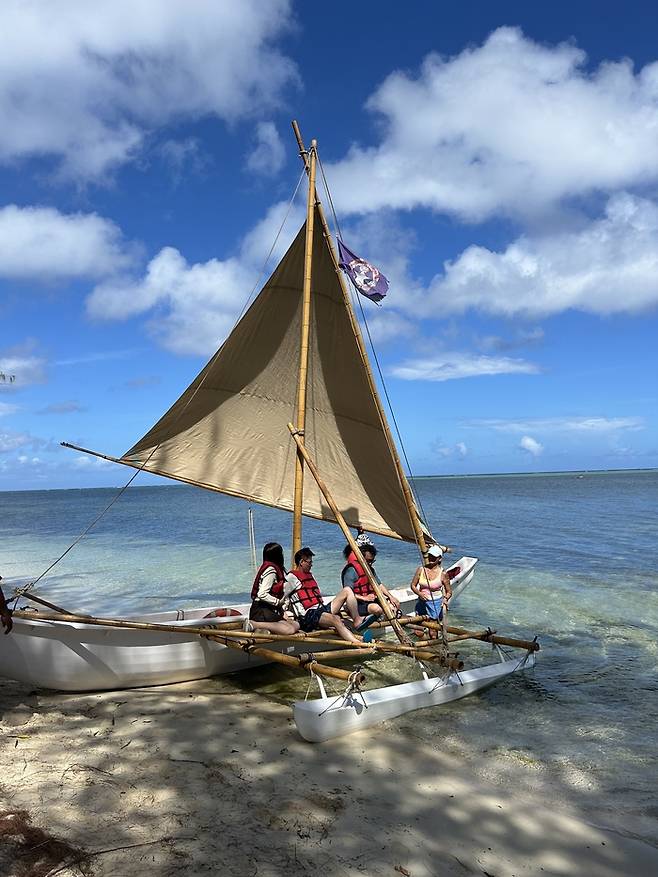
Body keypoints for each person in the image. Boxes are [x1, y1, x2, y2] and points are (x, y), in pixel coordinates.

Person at [287, 547, 363, 644]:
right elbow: (282, 595)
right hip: (308, 616)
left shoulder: (309, 575)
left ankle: (357, 621)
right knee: (336, 619)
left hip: (320, 610)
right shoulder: (291, 578)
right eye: (310, 562)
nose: (311, 565)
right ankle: (357, 643)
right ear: (302, 562)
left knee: (347, 590)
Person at [341, 533, 400, 622]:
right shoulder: (351, 571)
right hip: (357, 603)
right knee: (377, 609)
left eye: (372, 561)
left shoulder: (370, 570)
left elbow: (379, 585)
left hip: (370, 600)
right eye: (368, 561)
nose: (370, 564)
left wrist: (390, 596)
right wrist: (365, 598)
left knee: (395, 604)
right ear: (361, 558)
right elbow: (347, 593)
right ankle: (379, 617)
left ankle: (385, 617)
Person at [246, 542, 300, 635]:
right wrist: (277, 602)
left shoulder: (270, 568)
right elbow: (262, 594)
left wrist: (281, 610)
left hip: (269, 609)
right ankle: (254, 624)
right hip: (261, 610)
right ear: (278, 555)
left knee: (296, 624)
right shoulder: (271, 571)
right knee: (289, 630)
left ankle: (259, 627)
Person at [409, 544, 452, 639]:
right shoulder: (421, 569)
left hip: (435, 604)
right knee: (418, 631)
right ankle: (424, 644)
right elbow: (412, 585)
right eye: (430, 555)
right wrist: (419, 594)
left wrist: (445, 599)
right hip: (422, 603)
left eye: (434, 556)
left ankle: (434, 648)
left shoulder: (443, 573)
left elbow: (449, 591)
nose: (431, 558)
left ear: (439, 558)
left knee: (433, 632)